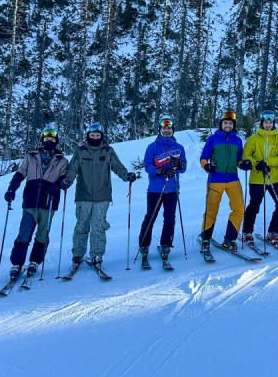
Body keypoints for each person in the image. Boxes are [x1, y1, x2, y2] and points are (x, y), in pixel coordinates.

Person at [62, 123, 137, 269]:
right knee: (82, 225)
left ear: (101, 136)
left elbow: (117, 166)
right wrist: (68, 180)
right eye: (92, 135)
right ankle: (77, 254)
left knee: (98, 226)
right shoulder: (80, 151)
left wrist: (126, 175)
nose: (95, 137)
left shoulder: (108, 151)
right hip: (83, 195)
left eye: (97, 135)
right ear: (88, 136)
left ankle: (97, 254)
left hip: (102, 196)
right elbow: (72, 169)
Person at [3, 126, 69, 280]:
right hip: (31, 201)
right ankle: (17, 263)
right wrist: (11, 189)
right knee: (24, 233)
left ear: (56, 141)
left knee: (42, 235)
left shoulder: (62, 160)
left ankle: (35, 261)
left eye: (52, 139)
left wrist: (57, 185)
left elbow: (65, 178)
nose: (49, 141)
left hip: (48, 202)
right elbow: (20, 174)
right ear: (42, 140)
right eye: (47, 138)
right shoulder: (31, 156)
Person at [138, 116, 187, 265]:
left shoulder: (179, 148)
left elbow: (183, 167)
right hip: (155, 189)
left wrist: (179, 164)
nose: (167, 130)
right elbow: (147, 165)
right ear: (160, 130)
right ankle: (144, 245)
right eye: (164, 128)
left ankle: (166, 244)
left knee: (170, 218)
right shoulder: (152, 147)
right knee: (150, 217)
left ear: (172, 131)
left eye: (169, 128)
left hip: (172, 189)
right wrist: (158, 171)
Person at [199, 111, 249, 253]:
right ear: (221, 124)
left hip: (233, 179)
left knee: (239, 209)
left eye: (230, 123)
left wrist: (243, 164)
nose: (228, 125)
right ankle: (205, 239)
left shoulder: (237, 140)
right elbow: (204, 157)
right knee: (211, 210)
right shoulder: (213, 139)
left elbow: (239, 159)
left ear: (233, 125)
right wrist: (206, 166)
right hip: (215, 180)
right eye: (225, 123)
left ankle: (230, 239)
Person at [241, 110, 278, 245]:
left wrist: (267, 162)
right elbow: (246, 154)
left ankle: (273, 231)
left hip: (274, 178)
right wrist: (256, 164)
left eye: (270, 122)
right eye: (266, 122)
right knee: (254, 205)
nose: (268, 125)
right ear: (261, 123)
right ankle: (247, 232)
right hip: (257, 178)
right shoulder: (253, 138)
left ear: (273, 124)